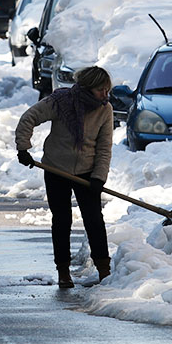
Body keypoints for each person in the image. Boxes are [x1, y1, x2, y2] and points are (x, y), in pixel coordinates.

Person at [15, 66, 113, 289]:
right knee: (62, 220)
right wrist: (23, 148)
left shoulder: (104, 109)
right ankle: (63, 271)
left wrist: (99, 177)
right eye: (100, 90)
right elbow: (29, 118)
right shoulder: (60, 102)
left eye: (107, 90)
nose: (105, 95)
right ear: (88, 88)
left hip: (87, 172)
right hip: (56, 168)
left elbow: (105, 147)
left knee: (94, 220)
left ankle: (104, 270)